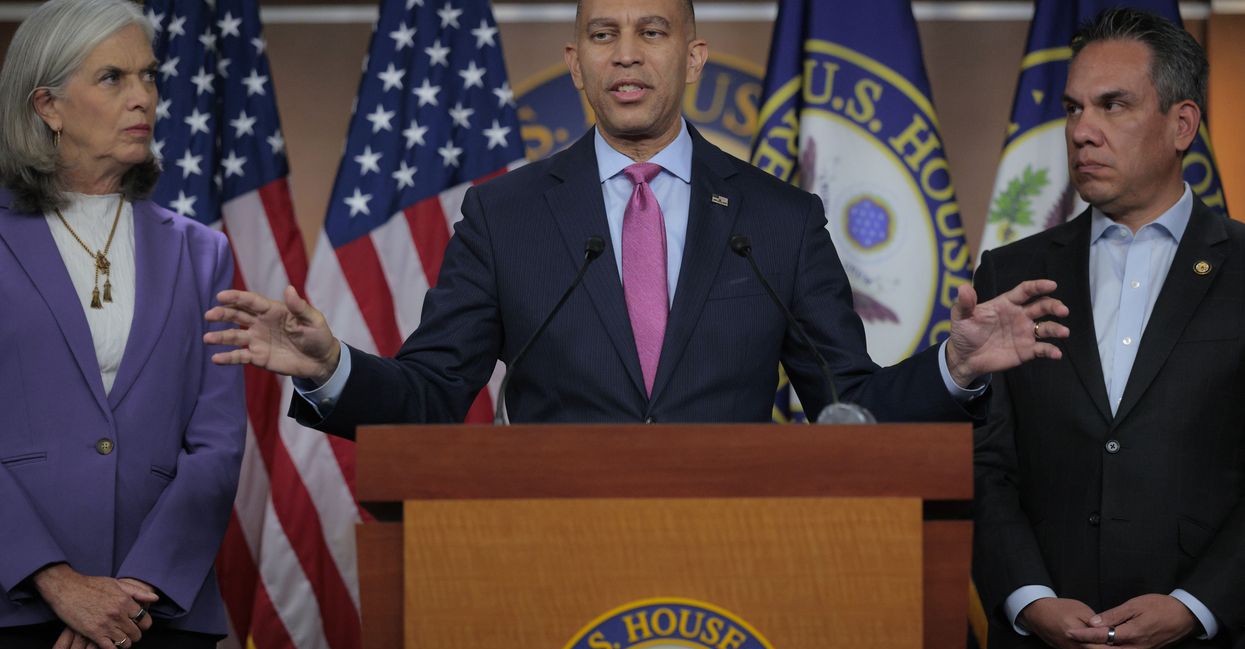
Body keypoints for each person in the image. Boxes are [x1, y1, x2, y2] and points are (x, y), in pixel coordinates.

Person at [205, 0, 1067, 432]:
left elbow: (852, 407)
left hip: (738, 556)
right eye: (604, 33)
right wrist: (329, 370)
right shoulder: (504, 215)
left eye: (651, 31)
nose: (626, 53)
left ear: (691, 58)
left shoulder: (779, 218)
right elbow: (433, 396)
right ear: (574, 62)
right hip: (549, 550)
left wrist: (952, 366)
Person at [972, 8, 1245, 649]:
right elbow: (986, 465)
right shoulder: (1009, 276)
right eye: (1072, 108)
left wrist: (1191, 607)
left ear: (1181, 125)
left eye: (1111, 105)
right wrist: (1030, 600)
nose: (1080, 131)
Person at [0, 1, 245, 649]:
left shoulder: (203, 253)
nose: (143, 97)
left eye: (148, 76)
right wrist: (56, 581)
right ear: (46, 104)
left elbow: (218, 441)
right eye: (113, 78)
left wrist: (133, 591)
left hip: (160, 617)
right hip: (14, 613)